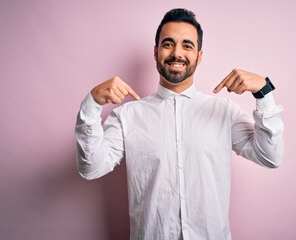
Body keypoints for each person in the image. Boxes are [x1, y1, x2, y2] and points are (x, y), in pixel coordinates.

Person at [75, 8, 284, 240]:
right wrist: (91, 104)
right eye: (168, 44)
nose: (177, 53)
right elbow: (91, 168)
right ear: (155, 52)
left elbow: (270, 157)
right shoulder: (126, 116)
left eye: (187, 45)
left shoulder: (224, 112)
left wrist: (264, 93)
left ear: (199, 56)